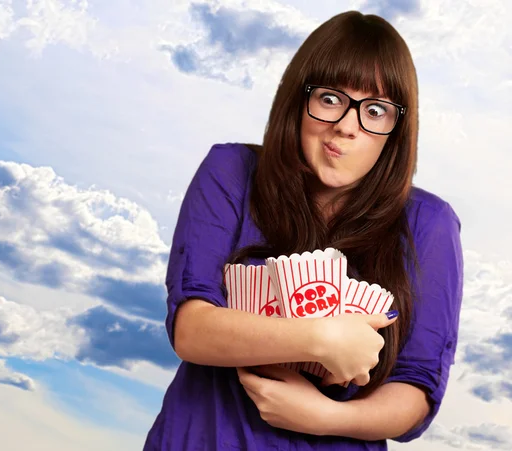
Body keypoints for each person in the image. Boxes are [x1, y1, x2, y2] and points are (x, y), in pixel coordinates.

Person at [143, 10, 463, 451]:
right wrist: (321, 339)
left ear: (396, 129)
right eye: (330, 98)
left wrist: (326, 416)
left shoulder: (429, 224)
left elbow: (416, 392)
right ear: (299, 97)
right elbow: (191, 330)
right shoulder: (232, 172)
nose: (346, 127)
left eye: (375, 110)